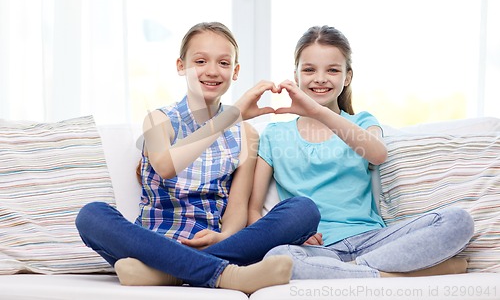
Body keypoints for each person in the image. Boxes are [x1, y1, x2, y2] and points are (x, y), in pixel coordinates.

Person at [76, 22, 320, 293]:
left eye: (224, 63)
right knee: (91, 215)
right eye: (200, 61)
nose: (213, 71)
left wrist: (225, 235)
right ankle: (226, 275)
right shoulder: (159, 119)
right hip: (150, 243)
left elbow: (237, 206)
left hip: (214, 243)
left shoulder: (246, 134)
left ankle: (166, 273)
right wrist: (228, 118)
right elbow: (166, 167)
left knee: (304, 211)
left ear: (235, 71)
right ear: (181, 66)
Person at [248, 25, 475, 279]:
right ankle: (389, 275)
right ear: (296, 75)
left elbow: (377, 154)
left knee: (458, 221)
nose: (320, 78)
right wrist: (290, 234)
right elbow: (254, 210)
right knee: (279, 258)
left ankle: (351, 272)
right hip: (316, 249)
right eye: (309, 70)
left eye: (332, 70)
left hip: (373, 240)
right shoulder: (274, 134)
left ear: (347, 77)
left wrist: (318, 111)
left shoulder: (362, 122)